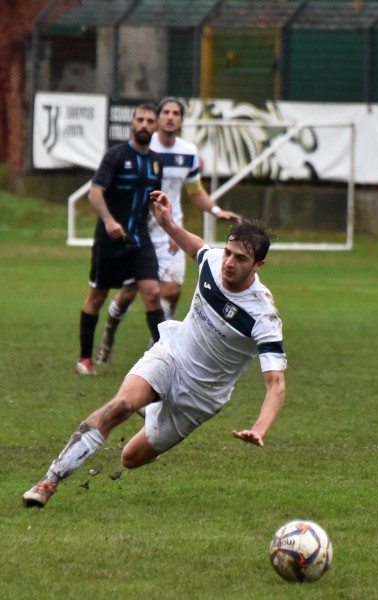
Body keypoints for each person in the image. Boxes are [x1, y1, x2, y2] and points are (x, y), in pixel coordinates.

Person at [23, 190, 286, 508]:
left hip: (200, 398)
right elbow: (195, 246)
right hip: (171, 356)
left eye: (240, 259)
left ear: (259, 264)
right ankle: (48, 481)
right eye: (228, 252)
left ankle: (151, 409)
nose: (229, 262)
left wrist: (259, 429)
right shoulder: (214, 262)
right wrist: (169, 224)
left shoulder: (263, 315)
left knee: (129, 458)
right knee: (120, 406)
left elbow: (276, 384)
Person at [96, 97, 241, 365]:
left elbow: (195, 192)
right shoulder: (143, 148)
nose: (171, 117)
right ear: (157, 118)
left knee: (171, 290)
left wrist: (216, 211)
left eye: (176, 113)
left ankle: (160, 347)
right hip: (140, 230)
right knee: (129, 293)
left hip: (170, 230)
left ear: (182, 120)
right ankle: (108, 336)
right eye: (166, 113)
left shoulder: (188, 152)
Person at [75, 102, 165, 375]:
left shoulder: (156, 163)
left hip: (140, 239)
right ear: (132, 123)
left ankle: (165, 359)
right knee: (98, 295)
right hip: (110, 239)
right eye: (140, 120)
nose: (145, 125)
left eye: (150, 121)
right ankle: (85, 359)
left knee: (152, 294)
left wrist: (169, 230)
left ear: (156, 126)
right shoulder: (115, 155)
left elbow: (154, 203)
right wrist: (109, 221)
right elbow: (95, 192)